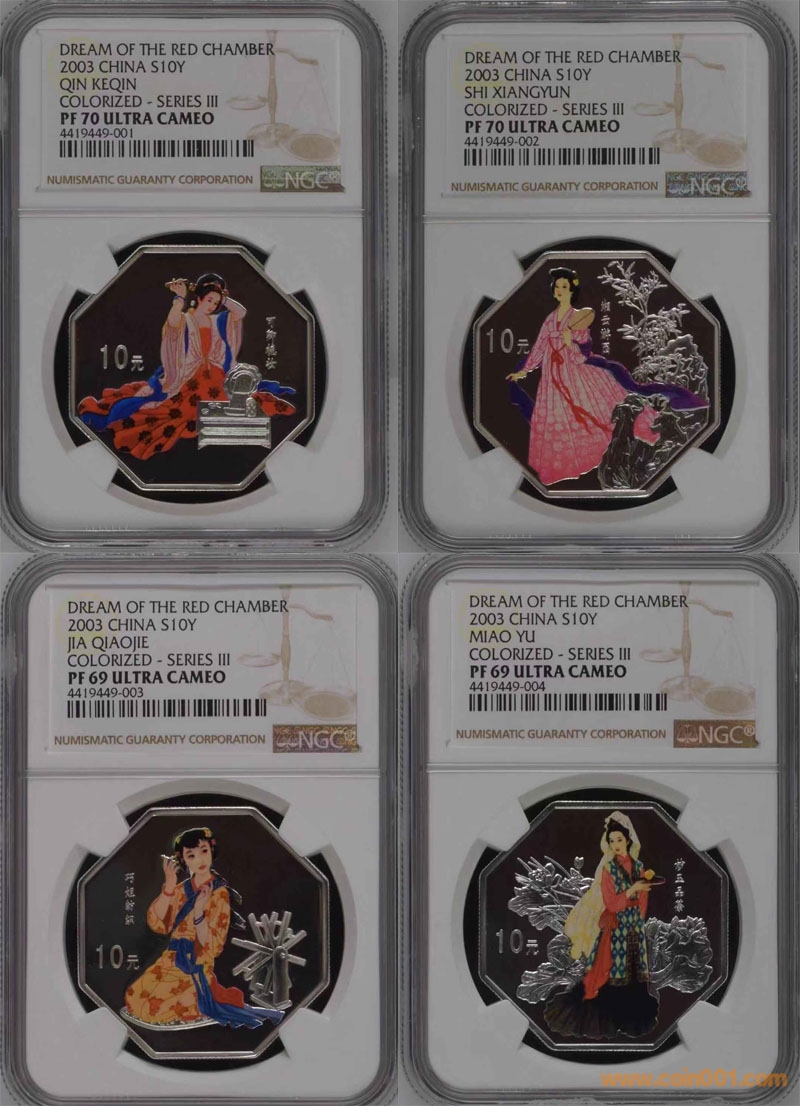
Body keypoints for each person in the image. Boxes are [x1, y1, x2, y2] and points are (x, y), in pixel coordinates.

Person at [506, 268, 706, 487]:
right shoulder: (550, 319)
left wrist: (569, 342)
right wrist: (525, 370)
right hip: (552, 375)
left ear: (572, 290)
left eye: (564, 286)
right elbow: (539, 347)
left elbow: (583, 353)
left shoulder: (578, 317)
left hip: (574, 372)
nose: (560, 290)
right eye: (557, 286)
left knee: (596, 411)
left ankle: (638, 431)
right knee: (556, 418)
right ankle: (562, 464)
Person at [79, 273, 296, 460]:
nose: (212, 305)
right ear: (199, 297)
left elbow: (240, 313)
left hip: (216, 373)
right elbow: (172, 323)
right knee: (177, 409)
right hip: (188, 375)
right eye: (208, 300)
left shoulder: (218, 320)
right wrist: (180, 297)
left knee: (234, 398)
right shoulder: (185, 319)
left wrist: (220, 295)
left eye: (215, 303)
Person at [124, 826, 283, 1029]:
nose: (199, 859)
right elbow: (158, 924)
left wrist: (199, 912)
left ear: (211, 851)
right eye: (191, 855)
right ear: (183, 859)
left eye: (204, 851)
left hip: (196, 964)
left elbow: (214, 945)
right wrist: (169, 886)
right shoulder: (181, 890)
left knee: (153, 1010)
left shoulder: (219, 893)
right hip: (170, 958)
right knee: (134, 998)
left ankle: (198, 1002)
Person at [543, 811, 660, 1040]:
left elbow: (642, 903)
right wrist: (633, 891)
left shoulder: (639, 867)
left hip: (634, 927)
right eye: (612, 840)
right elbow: (612, 902)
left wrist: (638, 910)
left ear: (628, 840)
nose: (616, 844)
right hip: (616, 928)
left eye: (619, 839)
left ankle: (631, 1018)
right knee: (613, 973)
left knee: (634, 973)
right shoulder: (608, 870)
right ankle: (609, 1018)